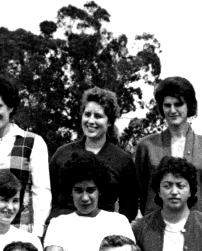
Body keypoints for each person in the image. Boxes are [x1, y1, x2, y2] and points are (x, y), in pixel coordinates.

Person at [44, 152, 136, 251]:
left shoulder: (118, 222)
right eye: (78, 190)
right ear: (70, 191)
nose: (85, 198)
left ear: (100, 190)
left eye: (90, 190)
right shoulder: (58, 224)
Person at [0, 75, 52, 237]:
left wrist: (37, 232)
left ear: (10, 107)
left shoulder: (32, 142)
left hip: (19, 229)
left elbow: (41, 192)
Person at [48, 87, 140, 222]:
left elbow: (129, 207)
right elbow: (48, 195)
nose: (91, 121)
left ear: (109, 121)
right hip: (64, 226)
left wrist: (114, 228)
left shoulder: (122, 160)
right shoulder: (62, 154)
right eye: (87, 114)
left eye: (98, 116)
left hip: (103, 229)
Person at [134, 77, 202, 218]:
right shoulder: (146, 145)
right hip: (155, 224)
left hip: (196, 222)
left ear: (189, 105)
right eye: (167, 105)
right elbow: (139, 190)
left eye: (178, 104)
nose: (172, 110)